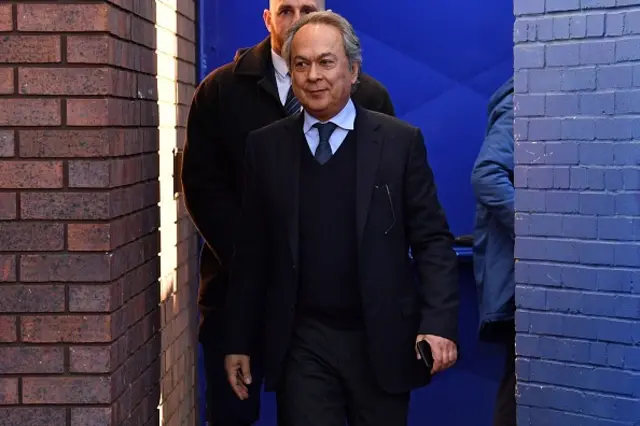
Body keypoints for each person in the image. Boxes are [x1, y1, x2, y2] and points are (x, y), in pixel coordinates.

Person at [223, 11, 459, 426]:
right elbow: (252, 254)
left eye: (326, 62)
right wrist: (238, 339)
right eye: (301, 63)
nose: (313, 75)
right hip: (302, 343)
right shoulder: (266, 148)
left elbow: (432, 240)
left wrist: (438, 323)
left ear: (353, 71)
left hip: (381, 341)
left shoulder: (399, 143)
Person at [181, 0, 395, 424]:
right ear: (268, 19)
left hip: (325, 308)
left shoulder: (367, 95)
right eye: (286, 10)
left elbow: (385, 194)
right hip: (236, 294)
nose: (297, 20)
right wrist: (254, 260)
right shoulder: (220, 91)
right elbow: (203, 188)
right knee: (233, 414)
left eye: (307, 9)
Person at [470, 77, 515, 426]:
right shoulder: (525, 100)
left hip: (528, 279)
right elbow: (486, 174)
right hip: (523, 282)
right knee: (522, 386)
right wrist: (538, 234)